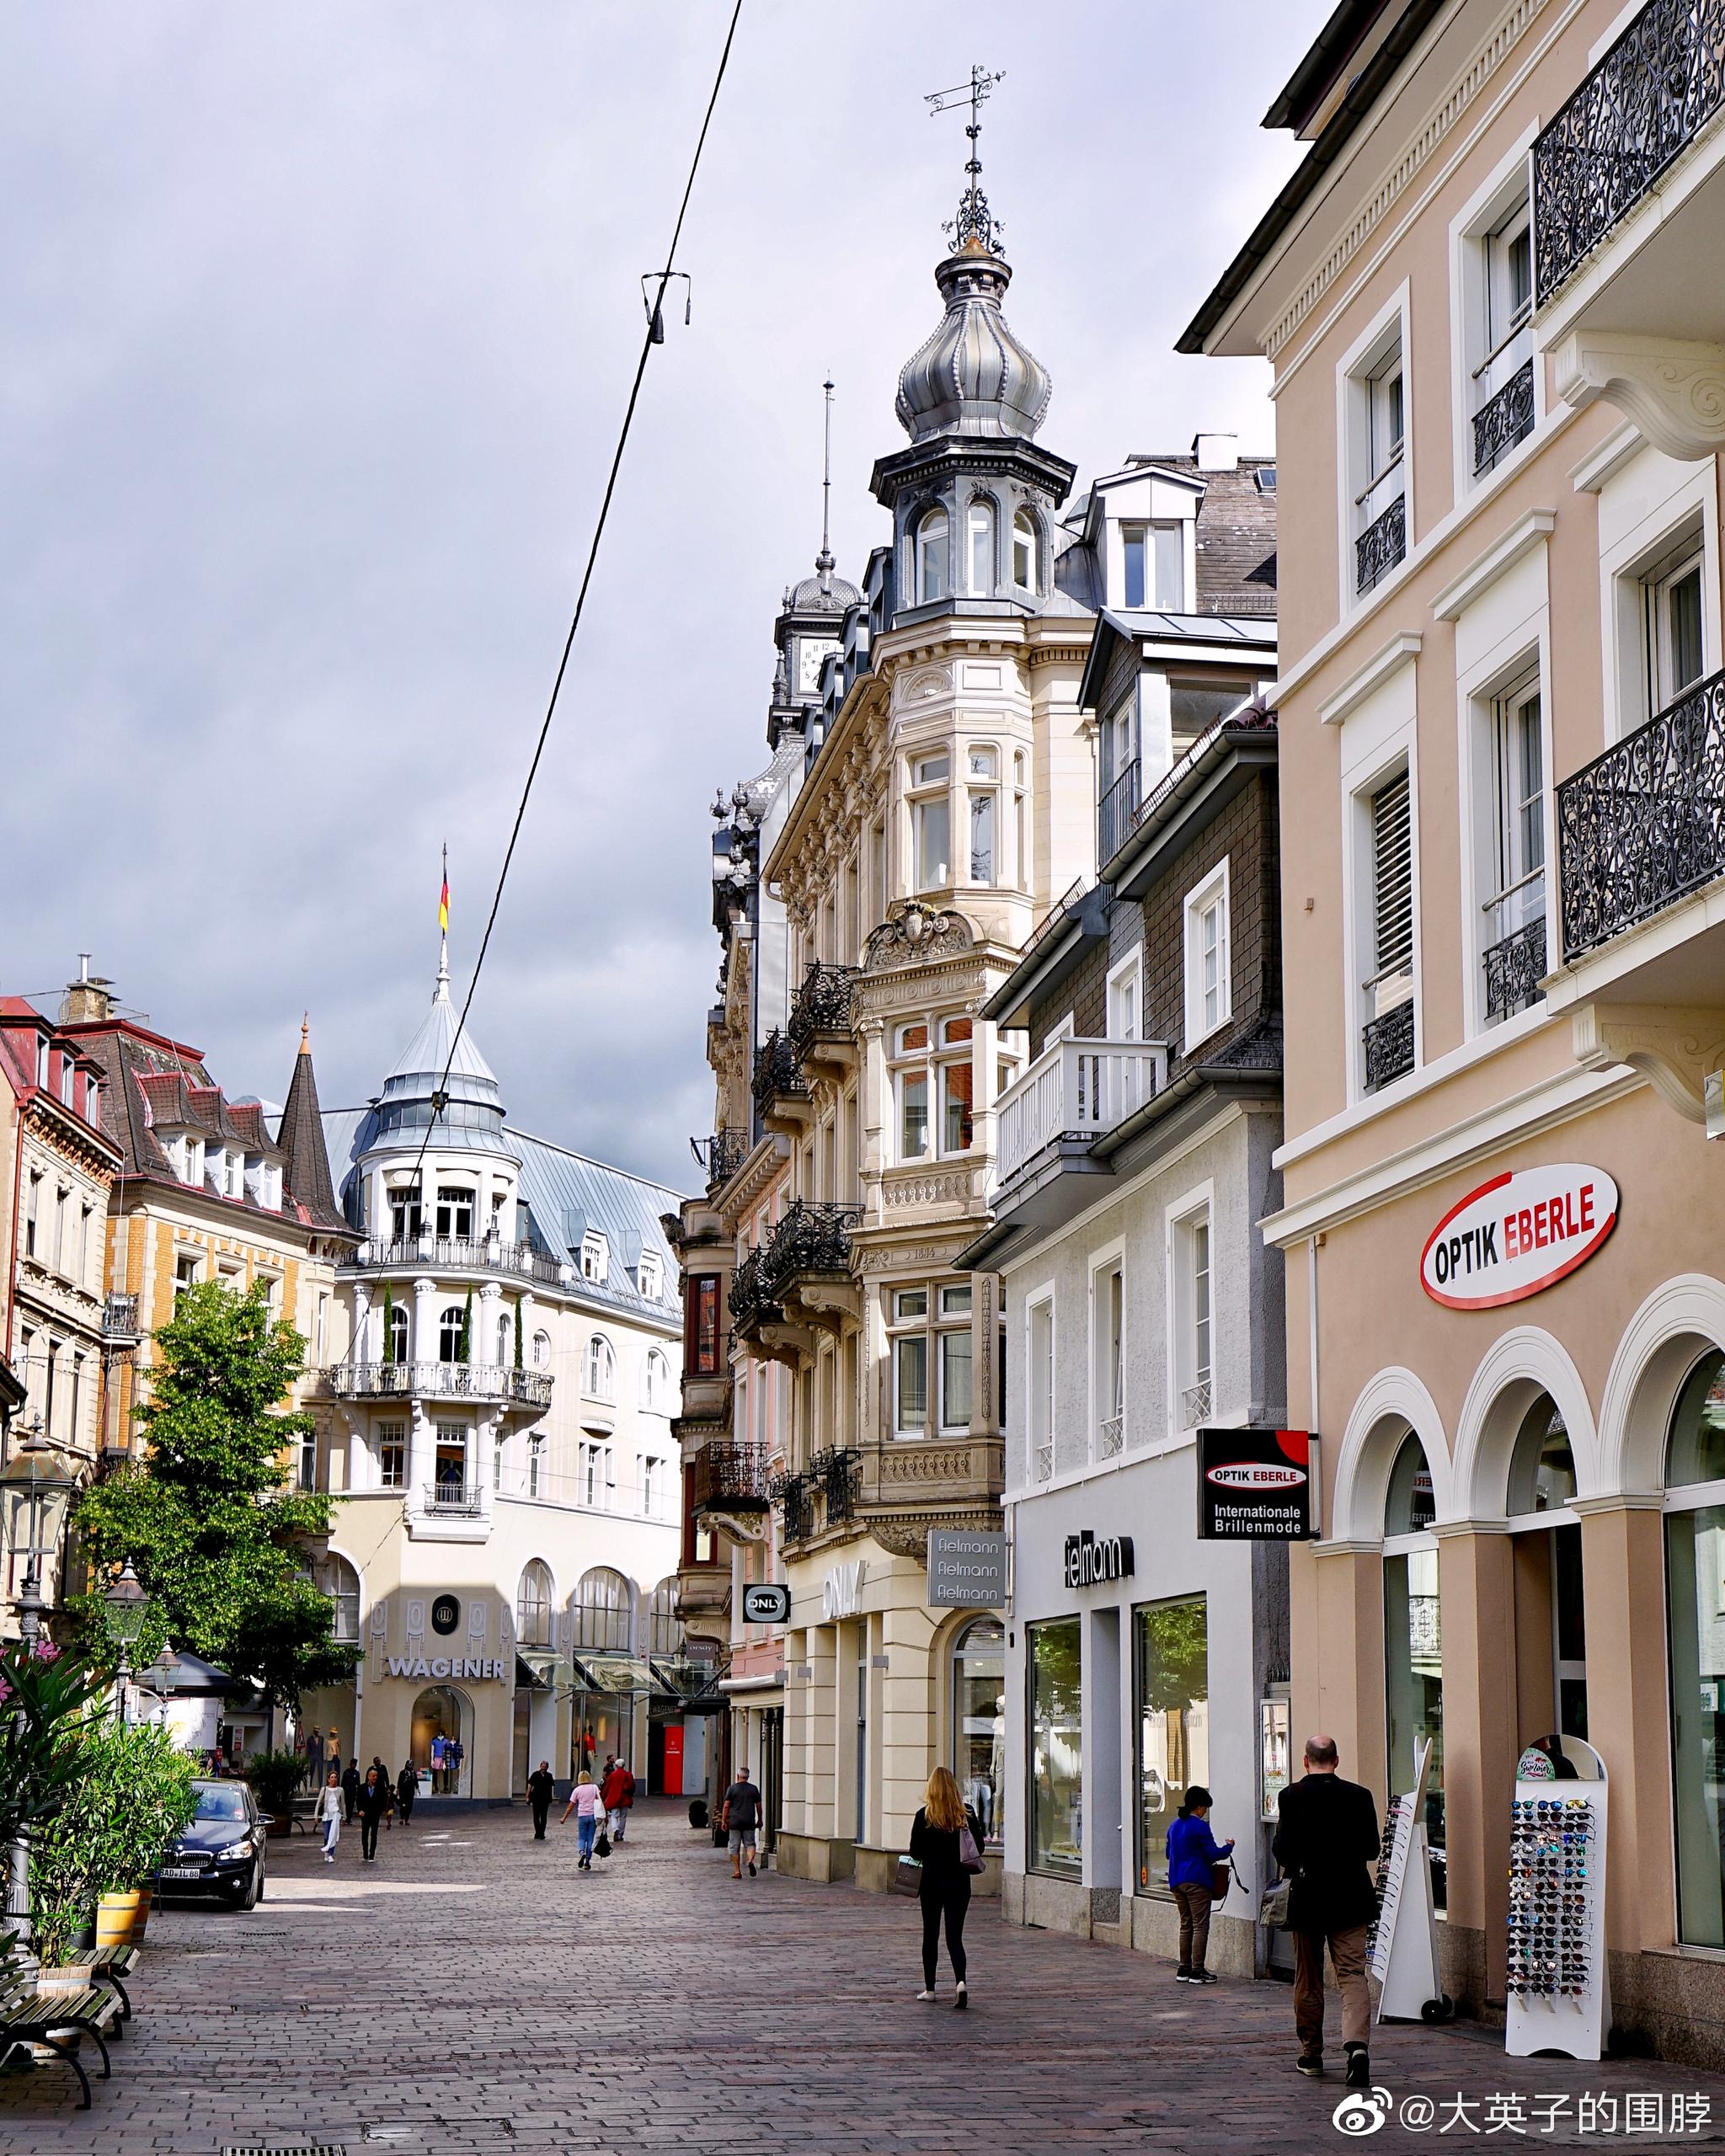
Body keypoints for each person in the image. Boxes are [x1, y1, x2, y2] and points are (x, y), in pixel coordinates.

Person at [1273, 1735, 1382, 2087]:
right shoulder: (1359, 1795)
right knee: (1352, 1975)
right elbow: (1371, 1848)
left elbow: (1283, 1851)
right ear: (1336, 1761)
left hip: (1307, 1900)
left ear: (1305, 1761)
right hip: (1350, 1898)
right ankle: (1357, 2049)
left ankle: (1312, 2053)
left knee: (1308, 1977)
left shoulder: (1291, 1796)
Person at [909, 1765, 984, 2009]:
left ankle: (930, 1989)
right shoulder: (967, 1815)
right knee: (955, 1937)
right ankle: (960, 1982)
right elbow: (979, 1848)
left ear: (931, 1789)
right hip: (959, 1883)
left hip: (931, 1883)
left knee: (930, 1935)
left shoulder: (924, 1816)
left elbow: (915, 1852)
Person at [1166, 1785, 1234, 1985]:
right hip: (1197, 1881)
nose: (1205, 1812)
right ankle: (1197, 1970)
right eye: (1205, 1807)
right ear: (1198, 1807)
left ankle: (1183, 1968)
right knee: (1200, 1926)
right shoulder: (1200, 1827)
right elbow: (1214, 1854)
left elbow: (1168, 1854)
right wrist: (1229, 1846)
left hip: (1177, 1881)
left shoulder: (1174, 1826)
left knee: (1186, 1924)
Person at [721, 1762, 763, 1880]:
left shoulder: (732, 1789)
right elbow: (759, 1807)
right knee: (750, 1843)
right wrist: (759, 1820)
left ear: (737, 1776)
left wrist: (724, 1821)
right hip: (749, 1821)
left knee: (734, 1846)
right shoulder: (754, 1789)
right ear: (748, 1777)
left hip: (735, 1822)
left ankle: (737, 1871)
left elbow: (726, 1806)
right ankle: (750, 1860)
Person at [560, 1769, 604, 1868]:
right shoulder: (594, 1787)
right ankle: (587, 1861)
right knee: (590, 1838)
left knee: (582, 1837)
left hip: (582, 1816)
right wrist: (604, 1817)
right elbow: (600, 1801)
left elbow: (571, 1805)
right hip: (593, 1816)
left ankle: (581, 1852)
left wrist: (564, 1817)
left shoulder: (577, 1790)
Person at [357, 1765, 389, 1863]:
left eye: (376, 1776)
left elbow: (383, 1801)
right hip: (365, 1815)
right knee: (365, 1834)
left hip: (375, 1814)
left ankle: (372, 1855)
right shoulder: (362, 1787)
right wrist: (360, 1810)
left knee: (374, 1834)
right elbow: (359, 1800)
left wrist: (379, 1811)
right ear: (368, 1776)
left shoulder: (380, 1788)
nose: (375, 1778)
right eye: (373, 1776)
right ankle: (365, 1853)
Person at [601, 1758, 634, 1845]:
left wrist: (603, 1797)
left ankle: (615, 1829)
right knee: (623, 1817)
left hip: (614, 1799)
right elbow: (632, 1787)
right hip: (625, 1799)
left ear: (616, 1766)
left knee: (614, 1816)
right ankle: (620, 1835)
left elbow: (607, 1787)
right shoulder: (628, 1775)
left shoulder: (613, 1775)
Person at [315, 1767, 343, 1863]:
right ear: (328, 1779)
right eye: (332, 1777)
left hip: (335, 1815)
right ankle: (326, 1853)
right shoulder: (324, 1789)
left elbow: (343, 1804)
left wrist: (345, 1815)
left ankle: (331, 1853)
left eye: (335, 1777)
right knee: (327, 1835)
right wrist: (316, 1815)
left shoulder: (340, 1790)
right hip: (326, 1815)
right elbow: (319, 1802)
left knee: (333, 1835)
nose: (334, 1779)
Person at [528, 1758, 557, 1840]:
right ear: (540, 1766)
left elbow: (551, 1787)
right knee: (536, 1816)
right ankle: (537, 1832)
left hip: (545, 1799)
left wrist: (550, 1798)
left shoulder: (549, 1776)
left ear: (547, 1767)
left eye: (545, 1767)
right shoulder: (535, 1774)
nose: (544, 1768)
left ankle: (542, 1833)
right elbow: (530, 1786)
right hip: (536, 1798)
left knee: (544, 1817)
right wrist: (527, 1796)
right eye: (543, 1766)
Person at [396, 1760, 417, 1827]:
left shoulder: (414, 1773)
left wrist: (418, 1788)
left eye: (412, 1765)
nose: (410, 1766)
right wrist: (398, 1789)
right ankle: (402, 1818)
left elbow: (416, 1781)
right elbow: (399, 1781)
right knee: (403, 1805)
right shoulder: (402, 1773)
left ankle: (407, 1820)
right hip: (403, 1792)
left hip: (410, 1792)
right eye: (409, 1765)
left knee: (409, 1806)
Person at [341, 1757, 361, 1823]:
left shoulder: (356, 1773)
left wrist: (358, 1791)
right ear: (350, 1764)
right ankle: (346, 1817)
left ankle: (349, 1818)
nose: (354, 1765)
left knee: (351, 1805)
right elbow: (343, 1782)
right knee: (346, 1804)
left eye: (355, 1764)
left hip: (353, 1791)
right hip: (346, 1791)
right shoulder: (346, 1772)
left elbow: (358, 1783)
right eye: (353, 1764)